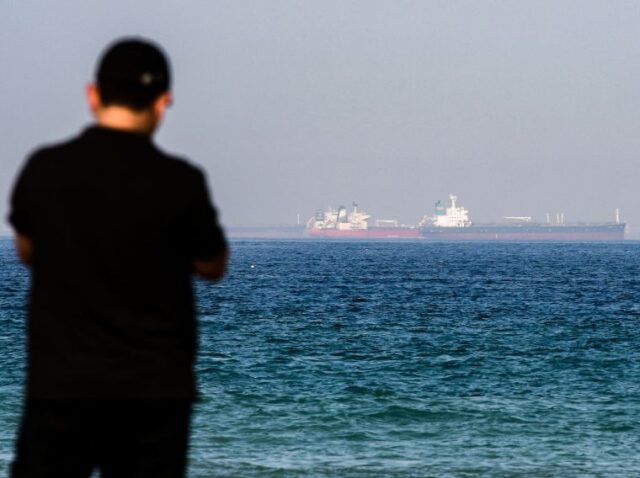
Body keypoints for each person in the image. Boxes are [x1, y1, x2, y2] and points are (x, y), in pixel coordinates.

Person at [8, 37, 228, 478]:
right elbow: (213, 265)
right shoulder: (181, 182)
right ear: (163, 102)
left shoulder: (45, 169)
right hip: (155, 395)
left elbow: (27, 248)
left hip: (60, 387)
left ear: (93, 95)